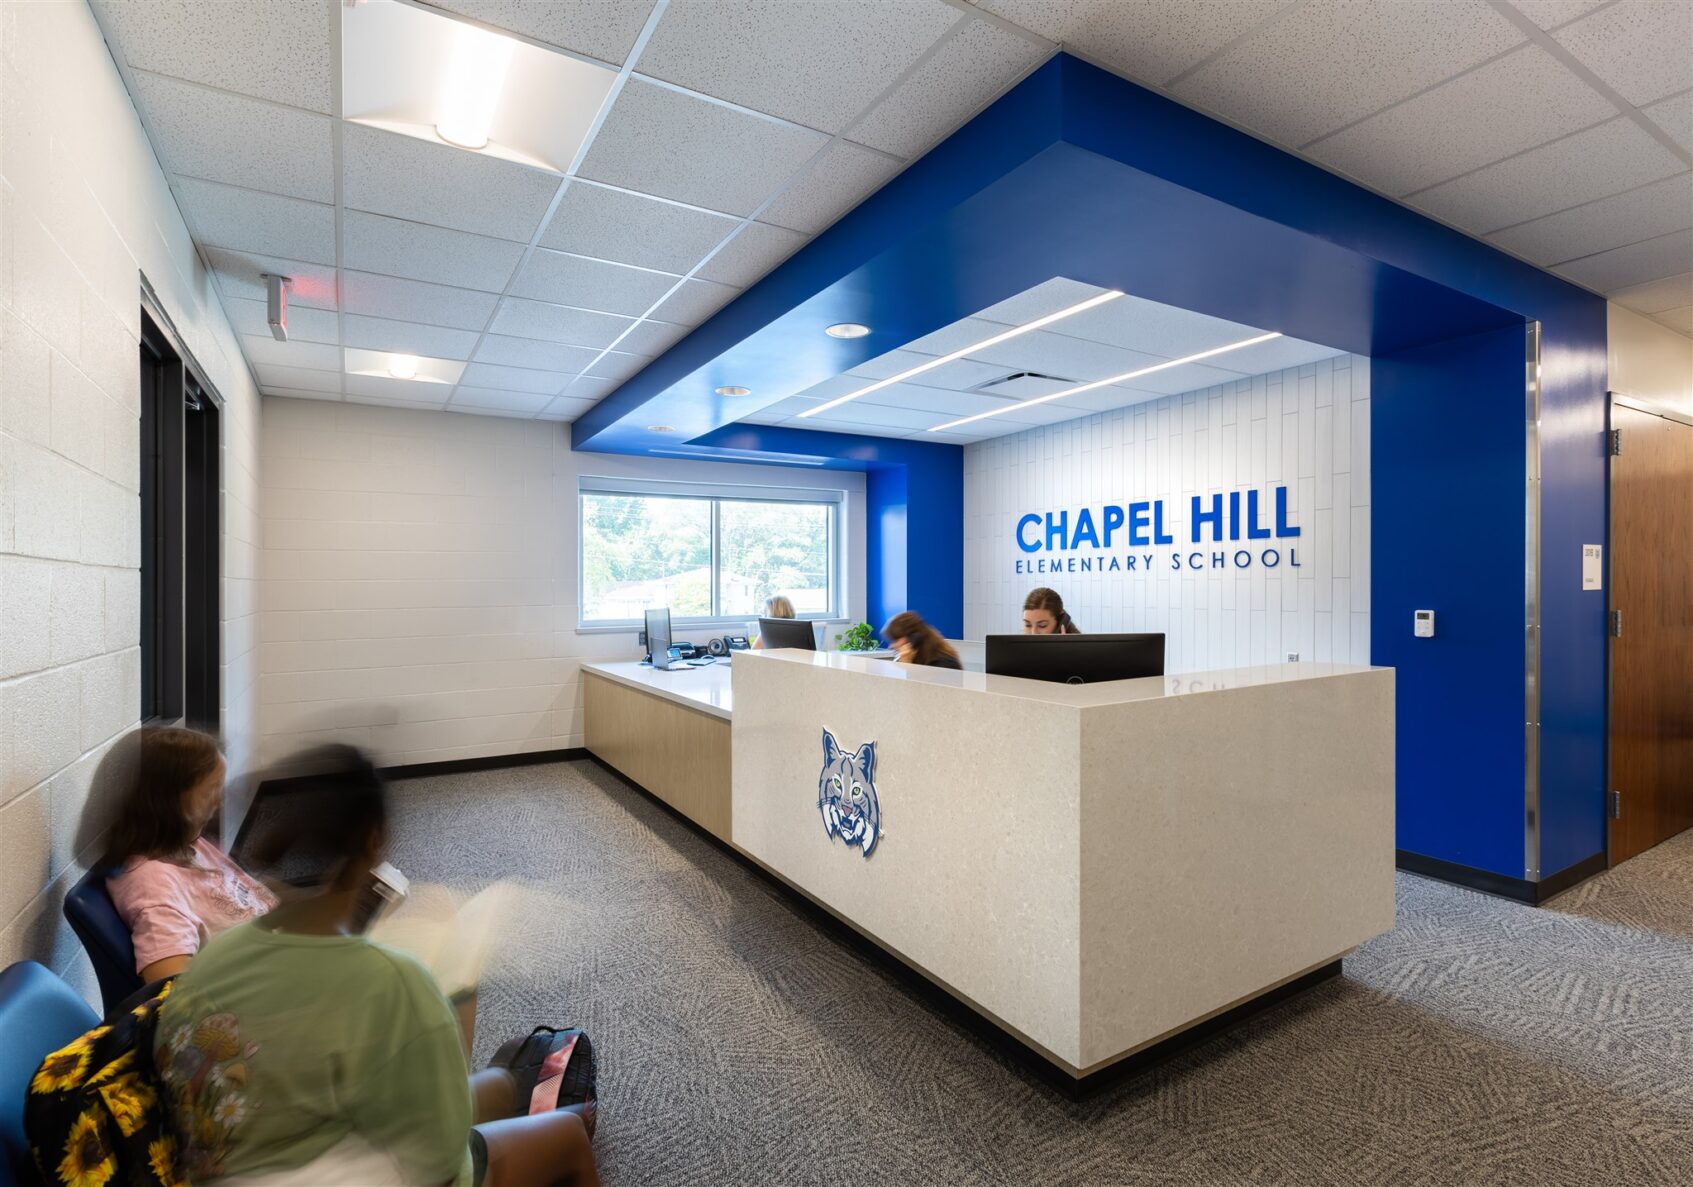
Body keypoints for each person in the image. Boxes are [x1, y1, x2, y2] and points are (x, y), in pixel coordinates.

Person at [154, 746, 600, 1187]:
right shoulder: (395, 984)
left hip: (228, 1166)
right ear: (374, 841)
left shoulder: (213, 958)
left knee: (498, 1086)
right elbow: (442, 1160)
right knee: (567, 1131)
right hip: (330, 1172)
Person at [105, 726, 279, 982]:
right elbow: (174, 996)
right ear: (168, 800)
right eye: (210, 790)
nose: (218, 802)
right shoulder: (155, 888)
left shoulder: (188, 844)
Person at [883, 611, 963, 670]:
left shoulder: (945, 664)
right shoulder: (914, 658)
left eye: (896, 640)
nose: (891, 646)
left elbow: (920, 691)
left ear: (914, 638)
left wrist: (907, 665)